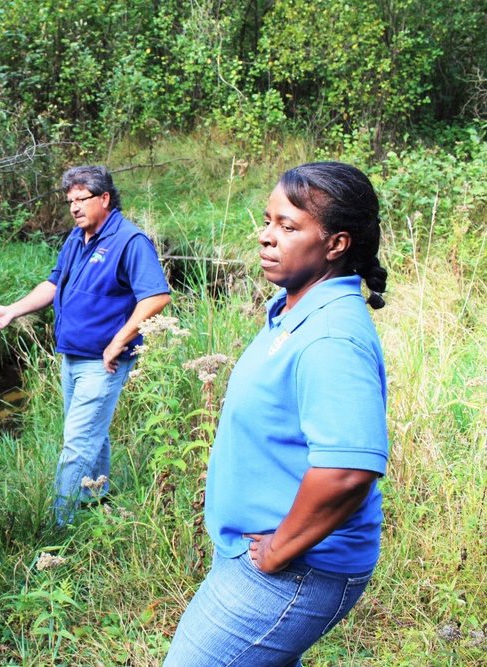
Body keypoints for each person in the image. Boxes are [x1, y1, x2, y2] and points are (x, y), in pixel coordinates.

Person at [163, 162, 390, 666]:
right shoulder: (293, 311)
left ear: (336, 244)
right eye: (266, 221)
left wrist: (279, 551)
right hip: (265, 558)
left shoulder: (331, 336)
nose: (267, 237)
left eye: (288, 227)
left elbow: (348, 469)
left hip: (294, 571)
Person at [0, 166, 171, 525]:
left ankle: (58, 526)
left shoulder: (129, 241)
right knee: (91, 438)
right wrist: (12, 310)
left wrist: (119, 341)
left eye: (81, 199)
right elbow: (54, 284)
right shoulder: (77, 237)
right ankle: (97, 503)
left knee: (76, 446)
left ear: (104, 198)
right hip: (71, 358)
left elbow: (156, 298)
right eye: (69, 201)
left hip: (103, 363)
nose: (73, 207)